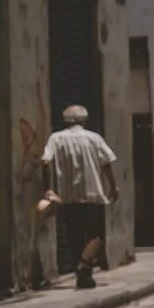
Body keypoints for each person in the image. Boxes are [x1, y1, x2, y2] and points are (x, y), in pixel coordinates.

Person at [39, 105, 118, 289]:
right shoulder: (93, 138)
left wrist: (48, 189)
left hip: (68, 197)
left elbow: (45, 161)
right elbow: (106, 164)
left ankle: (80, 270)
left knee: (74, 235)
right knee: (96, 236)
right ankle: (85, 265)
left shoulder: (56, 138)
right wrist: (113, 187)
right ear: (84, 120)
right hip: (93, 195)